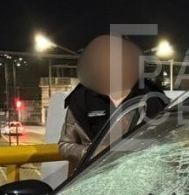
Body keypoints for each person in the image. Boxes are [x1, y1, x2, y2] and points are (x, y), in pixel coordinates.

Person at [59, 35, 168, 174]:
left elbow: (167, 139)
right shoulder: (81, 97)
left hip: (140, 178)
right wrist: (93, 153)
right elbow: (64, 145)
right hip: (91, 179)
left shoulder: (152, 96)